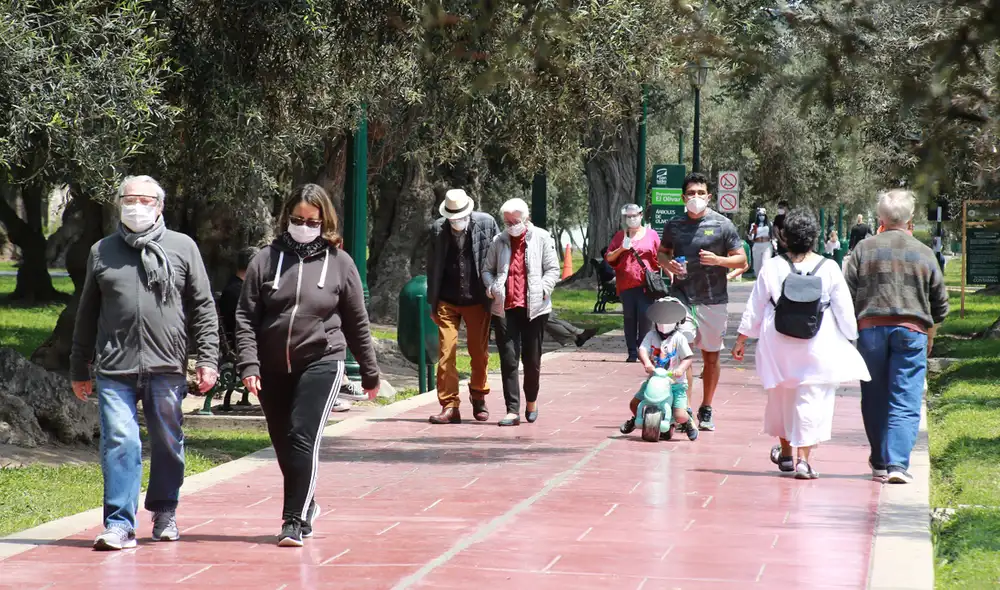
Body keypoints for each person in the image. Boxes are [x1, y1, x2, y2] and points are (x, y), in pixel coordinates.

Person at [70, 175, 220, 550]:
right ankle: (119, 524)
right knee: (122, 441)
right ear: (119, 203)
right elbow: (87, 312)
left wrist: (208, 359)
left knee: (169, 443)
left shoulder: (182, 247)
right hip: (114, 368)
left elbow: (203, 307)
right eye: (129, 199)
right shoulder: (102, 251)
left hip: (166, 366)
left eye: (145, 199)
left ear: (160, 206)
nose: (136, 205)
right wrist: (78, 366)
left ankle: (165, 509)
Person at [235, 183, 380, 546]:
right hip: (271, 367)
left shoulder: (340, 264)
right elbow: (245, 316)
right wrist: (249, 365)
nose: (303, 226)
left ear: (324, 221)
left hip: (321, 360)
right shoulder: (265, 260)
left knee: (303, 436)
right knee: (284, 443)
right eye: (297, 219)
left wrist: (370, 371)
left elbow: (356, 320)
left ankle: (293, 520)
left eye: (311, 221)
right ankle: (308, 503)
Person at [731, 209, 870, 479]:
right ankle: (803, 460)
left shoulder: (772, 266)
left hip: (778, 343)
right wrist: (852, 336)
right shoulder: (829, 268)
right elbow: (843, 310)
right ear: (814, 237)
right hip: (818, 343)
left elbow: (756, 305)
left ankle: (785, 455)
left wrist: (741, 339)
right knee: (812, 400)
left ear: (784, 237)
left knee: (782, 396)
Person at [845, 189, 949, 484]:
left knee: (874, 396)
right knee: (905, 397)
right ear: (909, 219)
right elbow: (939, 303)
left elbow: (846, 293)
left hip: (870, 332)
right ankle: (897, 465)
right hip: (911, 331)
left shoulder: (863, 250)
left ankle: (879, 459)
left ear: (880, 218)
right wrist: (930, 332)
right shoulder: (924, 253)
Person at [657, 172, 747, 432]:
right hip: (682, 296)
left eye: (700, 193)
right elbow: (662, 253)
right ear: (683, 197)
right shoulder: (674, 225)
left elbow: (740, 260)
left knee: (710, 357)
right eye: (691, 194)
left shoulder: (723, 224)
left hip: (713, 299)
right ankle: (681, 407)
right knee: (681, 351)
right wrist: (669, 264)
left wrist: (718, 261)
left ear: (709, 197)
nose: (696, 198)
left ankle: (706, 407)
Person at [482, 197, 560, 426]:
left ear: (525, 219)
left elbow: (553, 269)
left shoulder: (543, 237)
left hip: (534, 308)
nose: (510, 225)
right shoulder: (499, 241)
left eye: (514, 221)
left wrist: (544, 290)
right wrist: (491, 288)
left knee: (532, 360)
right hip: (505, 307)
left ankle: (532, 401)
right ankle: (512, 410)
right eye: (506, 221)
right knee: (508, 358)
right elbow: (487, 269)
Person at [425, 189, 500, 425]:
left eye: (459, 215)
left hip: (477, 299)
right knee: (446, 352)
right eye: (451, 217)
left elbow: (499, 257)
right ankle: (450, 405)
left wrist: (496, 293)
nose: (455, 220)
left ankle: (478, 396)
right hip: (447, 300)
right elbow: (432, 266)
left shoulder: (486, 223)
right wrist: (432, 302)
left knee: (479, 354)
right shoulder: (437, 229)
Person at [619, 320, 698, 441]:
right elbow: (643, 350)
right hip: (654, 380)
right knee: (634, 404)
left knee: (679, 415)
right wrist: (647, 363)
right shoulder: (651, 335)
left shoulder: (679, 338)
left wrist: (681, 369)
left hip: (675, 384)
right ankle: (636, 419)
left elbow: (687, 357)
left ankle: (688, 423)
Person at [605, 204, 661, 362]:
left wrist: (671, 273)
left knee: (645, 318)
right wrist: (622, 248)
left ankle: (642, 349)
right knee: (629, 319)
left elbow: (661, 256)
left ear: (641, 215)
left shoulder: (652, 235)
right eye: (628, 216)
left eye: (634, 215)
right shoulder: (620, 236)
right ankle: (632, 352)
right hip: (626, 285)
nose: (631, 219)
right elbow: (609, 257)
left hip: (646, 285)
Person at [748, 207, 773, 276]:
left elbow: (772, 235)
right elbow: (751, 237)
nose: (761, 217)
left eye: (762, 215)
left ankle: (765, 279)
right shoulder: (754, 225)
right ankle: (758, 278)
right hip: (757, 245)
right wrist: (751, 232)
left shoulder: (769, 224)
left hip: (766, 245)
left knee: (766, 263)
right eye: (760, 215)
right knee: (757, 265)